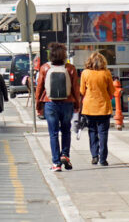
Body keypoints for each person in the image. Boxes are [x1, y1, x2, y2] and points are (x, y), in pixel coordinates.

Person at [35, 42, 81, 172]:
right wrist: (77, 104)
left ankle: (56, 163)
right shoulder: (70, 68)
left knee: (53, 134)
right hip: (67, 103)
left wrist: (38, 105)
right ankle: (65, 155)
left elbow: (39, 88)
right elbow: (75, 89)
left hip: (50, 104)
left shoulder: (44, 68)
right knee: (66, 130)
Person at [79, 52, 114, 166]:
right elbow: (112, 91)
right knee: (103, 133)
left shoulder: (85, 73)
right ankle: (103, 159)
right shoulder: (106, 73)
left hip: (89, 108)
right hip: (103, 107)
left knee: (92, 132)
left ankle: (94, 156)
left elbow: (82, 91)